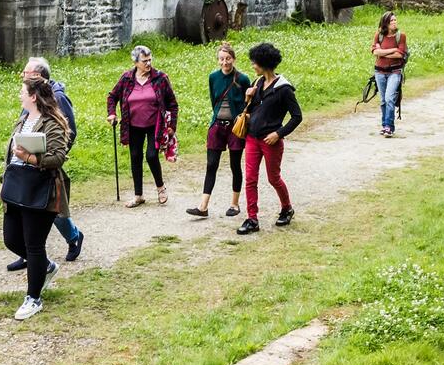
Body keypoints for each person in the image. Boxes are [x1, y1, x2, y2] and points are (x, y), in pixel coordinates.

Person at [1, 76, 71, 320]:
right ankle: (45, 266)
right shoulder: (22, 120)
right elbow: (10, 157)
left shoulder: (52, 123)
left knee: (33, 245)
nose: (20, 95)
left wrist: (31, 158)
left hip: (41, 190)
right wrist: (3, 183)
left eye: (23, 91)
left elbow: (57, 158)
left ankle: (33, 298)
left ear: (33, 96)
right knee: (11, 239)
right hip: (16, 186)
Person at [5, 58, 84, 272]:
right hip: (25, 166)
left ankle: (74, 237)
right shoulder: (30, 98)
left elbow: (69, 131)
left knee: (52, 209)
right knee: (27, 209)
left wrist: (50, 158)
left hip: (46, 164)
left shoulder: (57, 98)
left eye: (26, 73)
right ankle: (27, 253)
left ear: (38, 76)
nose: (22, 76)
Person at [237, 42, 302, 235]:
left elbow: (297, 117)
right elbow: (253, 111)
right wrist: (247, 98)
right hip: (252, 138)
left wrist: (278, 134)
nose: (252, 66)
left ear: (264, 64)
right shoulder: (256, 84)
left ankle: (287, 208)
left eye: (255, 63)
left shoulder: (284, 89)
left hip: (270, 141)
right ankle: (252, 219)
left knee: (273, 178)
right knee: (250, 179)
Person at [106, 45, 179, 206]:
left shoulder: (160, 78)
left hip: (155, 125)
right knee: (135, 157)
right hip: (132, 125)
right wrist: (112, 113)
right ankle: (138, 195)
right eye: (144, 61)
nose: (148, 63)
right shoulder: (126, 79)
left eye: (149, 60)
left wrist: (172, 126)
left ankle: (160, 188)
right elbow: (112, 97)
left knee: (152, 155)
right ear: (135, 62)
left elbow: (173, 104)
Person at [187, 42, 250, 218]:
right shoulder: (213, 77)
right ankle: (203, 206)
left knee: (234, 165)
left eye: (228, 59)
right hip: (217, 125)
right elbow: (212, 99)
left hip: (235, 127)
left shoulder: (242, 79)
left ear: (234, 59)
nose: (225, 62)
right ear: (218, 60)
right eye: (222, 59)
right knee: (211, 164)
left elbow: (249, 103)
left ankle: (234, 204)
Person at [372, 12, 408, 137]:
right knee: (383, 100)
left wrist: (382, 53)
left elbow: (400, 54)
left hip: (394, 72)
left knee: (389, 98)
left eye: (395, 20)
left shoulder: (401, 36)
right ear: (385, 23)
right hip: (379, 72)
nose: (394, 22)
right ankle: (384, 125)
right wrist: (393, 49)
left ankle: (389, 127)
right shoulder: (379, 36)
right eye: (391, 20)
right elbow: (375, 52)